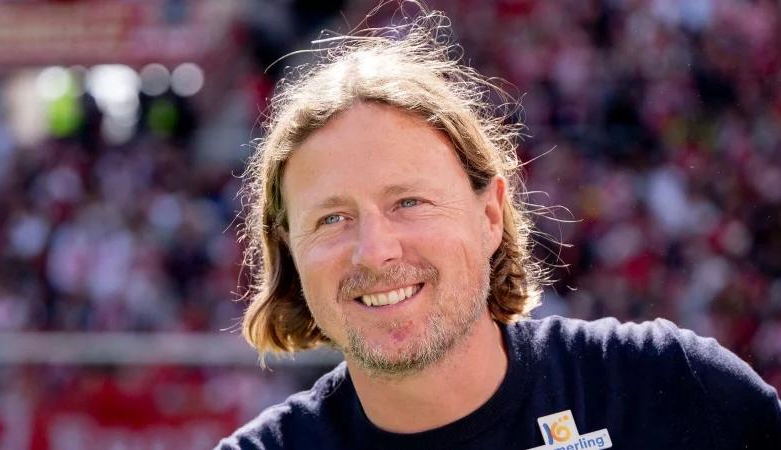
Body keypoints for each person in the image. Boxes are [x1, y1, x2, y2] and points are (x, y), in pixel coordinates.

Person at [216, 4, 781, 450]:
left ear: (490, 216)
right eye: (332, 217)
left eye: (409, 201)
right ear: (289, 252)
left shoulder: (672, 388)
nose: (375, 250)